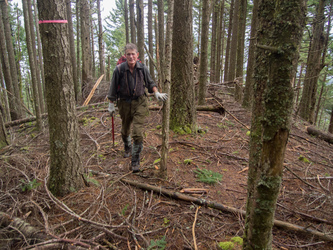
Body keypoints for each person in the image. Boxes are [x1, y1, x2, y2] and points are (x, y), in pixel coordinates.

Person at [107, 43, 168, 173]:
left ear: (137, 55)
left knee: (138, 132)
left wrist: (156, 92)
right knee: (125, 131)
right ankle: (127, 146)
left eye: (133, 54)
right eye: (128, 54)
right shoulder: (119, 70)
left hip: (140, 102)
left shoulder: (142, 68)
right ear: (125, 55)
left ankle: (135, 159)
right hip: (124, 103)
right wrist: (111, 104)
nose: (131, 56)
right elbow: (113, 88)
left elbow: (150, 82)